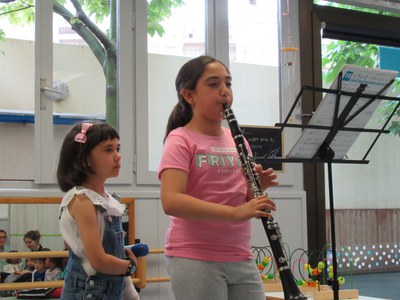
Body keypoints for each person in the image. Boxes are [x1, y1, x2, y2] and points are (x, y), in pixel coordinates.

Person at [158, 55, 279, 300]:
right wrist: (236, 213)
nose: (224, 91)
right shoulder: (180, 140)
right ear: (189, 95)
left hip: (239, 254)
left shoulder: (239, 140)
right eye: (213, 84)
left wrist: (255, 189)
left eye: (228, 83)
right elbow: (172, 201)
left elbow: (240, 200)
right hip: (194, 256)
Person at [57, 122, 139, 300]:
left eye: (118, 148)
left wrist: (129, 290)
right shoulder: (82, 201)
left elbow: (111, 252)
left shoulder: (110, 200)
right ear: (84, 159)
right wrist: (130, 266)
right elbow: (99, 260)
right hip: (88, 292)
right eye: (108, 150)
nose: (118, 156)